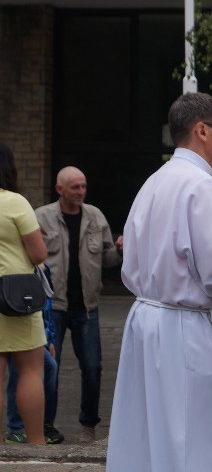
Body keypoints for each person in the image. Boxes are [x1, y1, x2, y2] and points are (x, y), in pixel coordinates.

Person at [106, 93, 212, 472]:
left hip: (147, 321)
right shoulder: (200, 184)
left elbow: (177, 253)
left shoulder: (156, 179)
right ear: (201, 130)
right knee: (191, 437)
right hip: (181, 327)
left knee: (149, 433)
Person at [34, 166, 123, 443]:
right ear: (60, 189)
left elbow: (108, 260)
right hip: (53, 307)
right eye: (75, 187)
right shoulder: (42, 217)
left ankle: (88, 425)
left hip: (87, 306)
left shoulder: (95, 216)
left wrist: (120, 249)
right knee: (50, 367)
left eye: (83, 186)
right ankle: (45, 425)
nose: (81, 192)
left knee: (93, 368)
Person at [0, 141, 48, 445]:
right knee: (30, 371)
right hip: (16, 297)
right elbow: (39, 253)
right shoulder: (15, 202)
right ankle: (37, 444)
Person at [5, 264, 63, 444]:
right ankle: (17, 427)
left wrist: (49, 337)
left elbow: (46, 302)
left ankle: (42, 424)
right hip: (14, 318)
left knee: (48, 367)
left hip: (34, 324)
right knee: (21, 371)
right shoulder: (19, 262)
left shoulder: (41, 269)